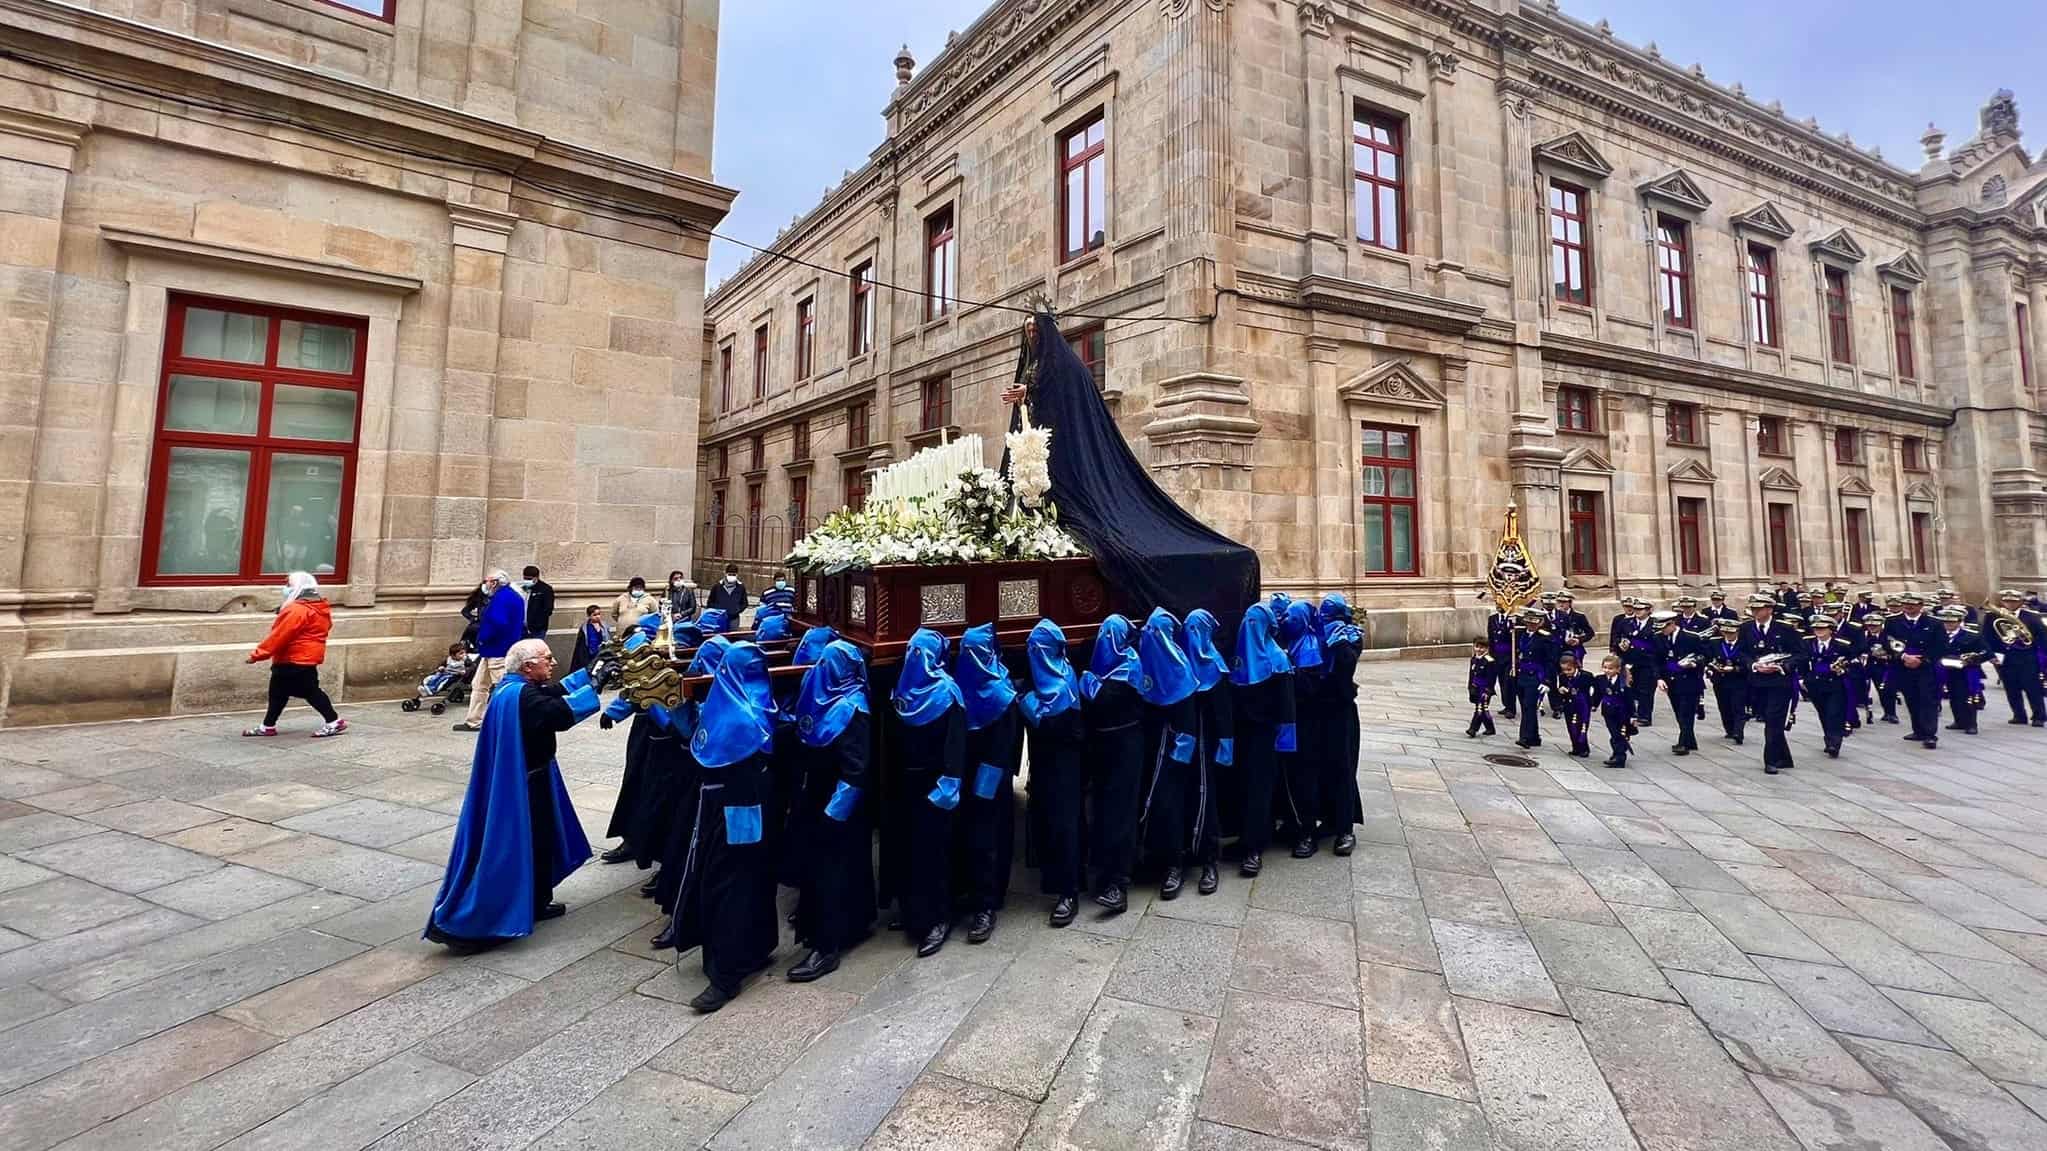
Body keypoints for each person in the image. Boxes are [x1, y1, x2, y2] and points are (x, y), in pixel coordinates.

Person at [426, 639, 597, 952]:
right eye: (547, 658)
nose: (553, 663)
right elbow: (558, 713)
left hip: (532, 777)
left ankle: (536, 900)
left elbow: (548, 693)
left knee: (540, 843)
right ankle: (486, 919)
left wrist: (586, 675)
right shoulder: (523, 695)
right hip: (525, 787)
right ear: (529, 666)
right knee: (525, 844)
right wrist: (596, 686)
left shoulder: (513, 687)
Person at [665, 641, 781, 1013]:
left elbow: (707, 757)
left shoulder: (737, 715)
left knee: (727, 885)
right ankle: (756, 948)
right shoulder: (757, 700)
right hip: (745, 805)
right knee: (750, 878)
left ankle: (726, 975)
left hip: (736, 808)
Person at [784, 640, 874, 982]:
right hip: (817, 796)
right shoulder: (821, 696)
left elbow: (856, 768)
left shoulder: (853, 707)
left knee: (832, 872)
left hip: (839, 806)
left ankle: (826, 947)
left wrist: (833, 815)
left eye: (827, 663)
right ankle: (854, 924)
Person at [893, 628, 967, 955]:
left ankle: (939, 917)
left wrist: (947, 787)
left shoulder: (947, 693)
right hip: (907, 782)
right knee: (909, 850)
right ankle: (912, 911)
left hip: (935, 785)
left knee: (935, 852)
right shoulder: (904, 690)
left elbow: (955, 746)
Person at [954, 623, 1023, 940]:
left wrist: (982, 786)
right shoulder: (960, 686)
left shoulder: (1001, 693)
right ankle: (970, 889)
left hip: (990, 783)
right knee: (969, 837)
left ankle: (988, 903)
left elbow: (1004, 747)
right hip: (966, 776)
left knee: (989, 838)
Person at [1021, 620, 1086, 927]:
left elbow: (1054, 726)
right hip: (1047, 765)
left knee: (1065, 824)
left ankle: (1068, 892)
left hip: (1064, 769)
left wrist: (1027, 703)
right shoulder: (1045, 677)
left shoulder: (1060, 684)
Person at [1135, 608, 1201, 898]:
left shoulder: (1180, 669)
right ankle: (1154, 858)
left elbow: (1187, 725)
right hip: (1149, 750)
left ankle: (1174, 864)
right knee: (1149, 805)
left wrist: (1177, 761)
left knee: (1169, 805)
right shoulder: (1145, 665)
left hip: (1173, 757)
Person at [1083, 614, 1145, 911]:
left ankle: (1119, 882)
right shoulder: (1103, 667)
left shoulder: (1129, 667)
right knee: (1104, 810)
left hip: (1125, 750)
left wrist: (1086, 681)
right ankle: (1105, 872)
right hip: (1105, 748)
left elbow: (1101, 698)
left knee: (1120, 813)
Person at [1228, 602, 1294, 878]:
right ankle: (1243, 838)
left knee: (1259, 790)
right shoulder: (1239, 658)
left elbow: (1286, 708)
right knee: (1242, 787)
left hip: (1265, 738)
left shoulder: (1277, 659)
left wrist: (1285, 741)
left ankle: (1254, 848)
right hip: (1242, 737)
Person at [243, 572, 347, 738]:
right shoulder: (319, 607)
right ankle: (267, 726)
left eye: (289, 585)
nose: (285, 588)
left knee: (310, 692)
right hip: (302, 657)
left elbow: (280, 635)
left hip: (295, 658)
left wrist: (258, 654)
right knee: (278, 692)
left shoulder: (297, 609)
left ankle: (334, 721)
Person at [1178, 609, 1233, 895]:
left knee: (1205, 797)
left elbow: (1224, 714)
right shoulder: (1177, 661)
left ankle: (1209, 861)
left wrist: (1226, 744)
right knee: (1177, 800)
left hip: (1206, 745)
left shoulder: (1215, 665)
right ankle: (1177, 860)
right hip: (1179, 745)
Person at [1277, 600, 1327, 858]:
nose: (1286, 621)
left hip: (1306, 725)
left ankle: (1307, 832)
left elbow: (1310, 690)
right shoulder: (1287, 643)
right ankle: (1290, 822)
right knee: (1289, 775)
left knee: (1304, 777)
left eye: (1292, 617)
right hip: (1288, 722)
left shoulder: (1310, 648)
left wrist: (1291, 674)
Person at [1314, 595, 1363, 856]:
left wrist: (1339, 638)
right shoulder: (1318, 636)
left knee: (1342, 768)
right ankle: (1329, 818)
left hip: (1341, 711)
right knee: (1322, 767)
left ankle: (1345, 828)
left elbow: (1346, 664)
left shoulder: (1351, 636)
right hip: (1319, 710)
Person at [1739, 593, 1805, 775]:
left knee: (1774, 720)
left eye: (1759, 609)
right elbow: (1742, 652)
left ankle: (1771, 760)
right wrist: (1753, 665)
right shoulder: (1746, 628)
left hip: (1779, 681)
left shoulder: (1785, 629)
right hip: (1757, 681)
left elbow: (1800, 654)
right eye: (1753, 609)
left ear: (1769, 610)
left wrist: (1783, 665)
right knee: (1767, 718)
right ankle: (1784, 757)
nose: (1755, 612)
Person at [455, 571, 526, 732]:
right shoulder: (511, 595)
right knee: (479, 684)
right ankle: (474, 720)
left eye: (487, 581)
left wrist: (483, 638)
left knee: (504, 688)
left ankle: (513, 723)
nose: (485, 585)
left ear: (494, 582)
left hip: (498, 649)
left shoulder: (502, 598)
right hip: (493, 649)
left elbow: (497, 622)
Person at [1885, 592, 1947, 749]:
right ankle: (1918, 730)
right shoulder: (1892, 621)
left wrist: (1922, 659)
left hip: (1925, 667)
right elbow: (1887, 642)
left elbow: (1941, 646)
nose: (1908, 607)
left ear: (1920, 606)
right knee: (1911, 699)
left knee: (1928, 700)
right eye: (1905, 604)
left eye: (1912, 604)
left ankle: (1930, 734)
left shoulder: (1934, 623)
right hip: (1903, 666)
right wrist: (1903, 657)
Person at [1651, 610, 1706, 756]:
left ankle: (1683, 743)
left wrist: (1693, 663)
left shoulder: (1690, 637)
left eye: (1664, 628)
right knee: (1678, 712)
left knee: (1686, 712)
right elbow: (1656, 661)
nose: (1662, 631)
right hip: (1671, 680)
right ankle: (1690, 740)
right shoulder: (1658, 638)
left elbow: (1703, 656)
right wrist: (1659, 678)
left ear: (1672, 624)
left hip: (1690, 680)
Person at [1988, 589, 2046, 726]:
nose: (2010, 604)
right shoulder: (1993, 616)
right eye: (2007, 601)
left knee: (2033, 688)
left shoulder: (2032, 616)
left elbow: (2042, 637)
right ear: (2002, 602)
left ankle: (2039, 716)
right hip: (2006, 656)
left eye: (2013, 601)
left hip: (2028, 657)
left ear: (2020, 602)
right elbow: (1988, 637)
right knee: (2011, 688)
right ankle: (2019, 715)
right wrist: (1991, 655)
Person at [1804, 615, 1853, 757]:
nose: (1818, 631)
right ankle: (1828, 738)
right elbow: (1803, 662)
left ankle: (1834, 743)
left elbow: (1852, 663)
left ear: (1831, 630)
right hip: (1815, 684)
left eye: (1822, 628)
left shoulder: (1842, 645)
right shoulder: (1807, 643)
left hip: (1835, 684)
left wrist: (1843, 669)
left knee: (1834, 713)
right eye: (1816, 628)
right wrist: (1802, 679)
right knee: (1823, 713)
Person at [1937, 606, 1986, 736]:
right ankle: (1958, 721)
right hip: (1944, 670)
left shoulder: (1971, 635)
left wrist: (1973, 658)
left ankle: (1971, 724)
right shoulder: (1937, 635)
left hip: (1964, 671)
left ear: (1959, 621)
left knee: (1968, 697)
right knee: (1953, 697)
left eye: (1952, 622)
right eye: (1945, 622)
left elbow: (1986, 652)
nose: (1948, 624)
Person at [1512, 607, 1556, 749]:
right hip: (1522, 675)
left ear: (1540, 622)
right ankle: (1534, 737)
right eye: (1528, 622)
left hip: (1535, 676)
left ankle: (1524, 737)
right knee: (1526, 707)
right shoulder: (1520, 634)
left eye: (1534, 623)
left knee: (1529, 706)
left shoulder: (1545, 638)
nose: (1531, 625)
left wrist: (1547, 681)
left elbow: (1551, 660)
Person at [1705, 618, 1748, 744]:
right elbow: (1708, 658)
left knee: (1738, 706)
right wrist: (1711, 668)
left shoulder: (1744, 644)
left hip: (1738, 679)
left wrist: (1735, 668)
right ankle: (1729, 729)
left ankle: (1738, 732)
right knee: (1724, 706)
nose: (1729, 636)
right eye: (1726, 633)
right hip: (1721, 679)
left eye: (1732, 633)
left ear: (1737, 632)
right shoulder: (1715, 643)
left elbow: (1748, 662)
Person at [1592, 654, 1633, 768]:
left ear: (1618, 669)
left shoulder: (1623, 682)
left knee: (1618, 734)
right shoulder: (1600, 679)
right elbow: (1598, 694)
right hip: (1608, 711)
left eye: (1610, 668)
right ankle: (1617, 753)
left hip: (1621, 712)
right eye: (1605, 667)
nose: (1607, 670)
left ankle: (1620, 757)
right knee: (1614, 733)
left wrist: (1633, 715)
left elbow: (1629, 699)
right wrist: (1594, 705)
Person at [1554, 651, 1593, 757]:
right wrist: (1561, 690)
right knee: (1571, 726)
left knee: (1582, 726)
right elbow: (1561, 688)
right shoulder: (1563, 676)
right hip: (1569, 704)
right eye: (1564, 670)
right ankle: (1575, 746)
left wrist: (1593, 703)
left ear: (1576, 666)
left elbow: (1593, 689)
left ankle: (1584, 748)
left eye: (1569, 669)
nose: (1567, 672)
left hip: (1583, 704)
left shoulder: (1586, 676)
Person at [1486, 606, 1518, 719]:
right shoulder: (1492, 618)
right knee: (1501, 682)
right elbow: (1490, 637)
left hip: (1509, 656)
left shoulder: (1513, 618)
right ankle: (1506, 705)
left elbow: (1516, 638)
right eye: (1497, 603)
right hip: (1496, 656)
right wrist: (1490, 654)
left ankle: (1511, 708)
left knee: (1508, 682)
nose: (1499, 606)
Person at [1466, 637, 1500, 738]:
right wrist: (1470, 687)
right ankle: (1490, 728)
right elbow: (1471, 675)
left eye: (1482, 648)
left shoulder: (1489, 661)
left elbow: (1491, 678)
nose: (1479, 649)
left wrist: (1488, 691)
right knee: (1484, 709)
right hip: (1475, 687)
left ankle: (1473, 729)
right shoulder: (1474, 659)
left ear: (1487, 648)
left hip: (1484, 688)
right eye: (1477, 647)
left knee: (1479, 709)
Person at [1551, 592, 1591, 667]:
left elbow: (1590, 633)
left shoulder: (1579, 616)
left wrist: (1579, 640)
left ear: (1570, 603)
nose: (1561, 604)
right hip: (1557, 649)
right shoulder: (1553, 616)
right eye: (1559, 602)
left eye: (1564, 602)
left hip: (1574, 649)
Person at [569, 606, 608, 675]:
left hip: (601, 652)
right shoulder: (585, 628)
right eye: (594, 615)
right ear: (589, 616)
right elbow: (580, 644)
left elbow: (606, 638)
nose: (597, 616)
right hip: (588, 654)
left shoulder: (604, 626)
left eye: (599, 614)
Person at [522, 565, 555, 640]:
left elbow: (548, 609)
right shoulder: (523, 588)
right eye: (525, 578)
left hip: (537, 629)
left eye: (529, 579)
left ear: (536, 577)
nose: (527, 581)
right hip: (523, 628)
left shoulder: (545, 589)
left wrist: (538, 623)